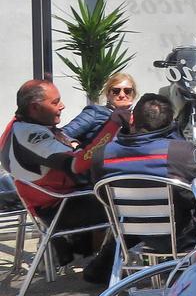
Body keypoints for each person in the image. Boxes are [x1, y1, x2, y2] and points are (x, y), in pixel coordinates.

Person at [0, 80, 123, 278]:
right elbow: (77, 164)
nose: (62, 106)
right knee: (132, 205)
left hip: (55, 201)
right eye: (55, 102)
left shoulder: (18, 125)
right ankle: (102, 269)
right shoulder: (29, 135)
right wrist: (113, 125)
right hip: (60, 207)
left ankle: (92, 255)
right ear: (35, 107)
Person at [91, 93, 196, 257]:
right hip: (184, 236)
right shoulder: (182, 152)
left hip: (134, 233)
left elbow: (103, 196)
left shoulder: (102, 154)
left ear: (132, 119)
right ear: (170, 123)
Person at [62, 72, 136, 145]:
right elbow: (61, 135)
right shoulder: (95, 113)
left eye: (127, 91)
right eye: (116, 91)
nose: (122, 95)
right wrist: (73, 143)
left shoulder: (139, 117)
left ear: (134, 94)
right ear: (108, 94)